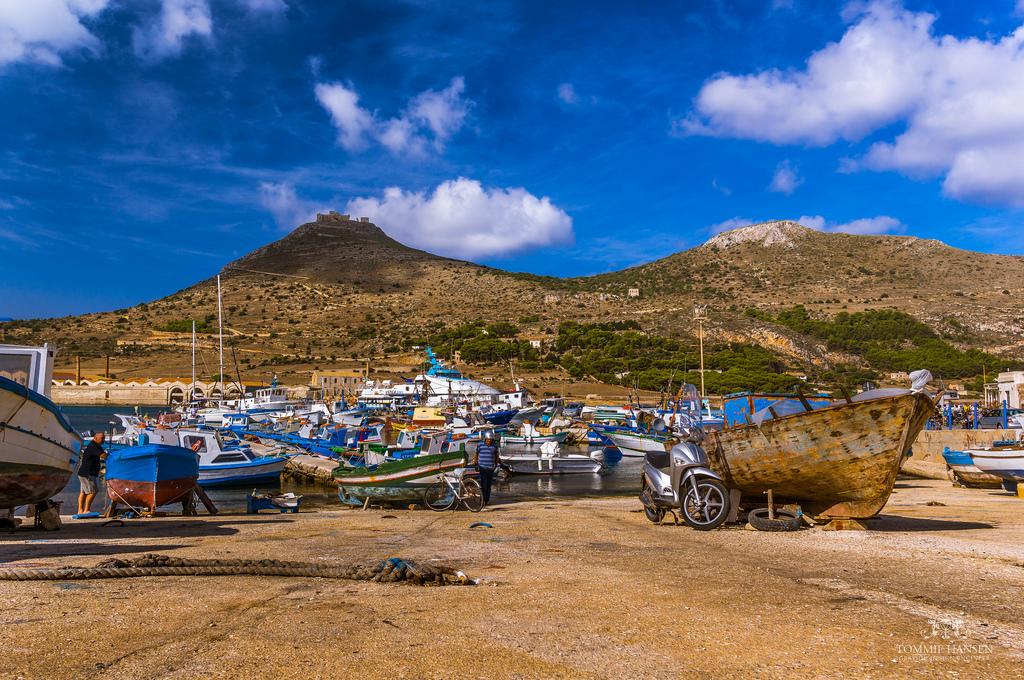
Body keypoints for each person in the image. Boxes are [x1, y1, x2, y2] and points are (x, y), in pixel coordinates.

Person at [77, 432, 107, 515]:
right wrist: (112, 456)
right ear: (95, 438)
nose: (103, 440)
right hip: (88, 474)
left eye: (104, 438)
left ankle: (80, 510)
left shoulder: (94, 445)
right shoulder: (94, 446)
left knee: (83, 492)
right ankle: (86, 510)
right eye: (102, 438)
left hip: (83, 472)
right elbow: (103, 455)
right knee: (93, 492)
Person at [475, 435, 500, 506]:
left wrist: (496, 464)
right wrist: (476, 463)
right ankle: (482, 499)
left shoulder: (494, 446)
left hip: (491, 468)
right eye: (488, 440)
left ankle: (486, 500)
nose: (489, 441)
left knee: (488, 485)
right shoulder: (480, 444)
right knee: (483, 484)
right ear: (485, 439)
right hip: (482, 467)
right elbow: (477, 453)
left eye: (490, 440)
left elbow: (496, 455)